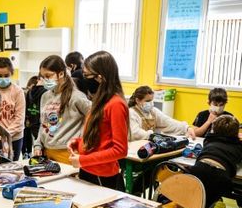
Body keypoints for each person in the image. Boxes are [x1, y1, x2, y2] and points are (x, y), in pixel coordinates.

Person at [67, 51, 128, 191]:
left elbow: (120, 150)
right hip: (88, 170)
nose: (84, 79)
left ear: (100, 77)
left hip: (103, 176)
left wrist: (83, 160)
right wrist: (78, 142)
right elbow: (100, 137)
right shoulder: (99, 101)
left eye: (87, 75)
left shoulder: (116, 104)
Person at [187, 115, 242, 208]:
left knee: (199, 195)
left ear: (213, 130)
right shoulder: (238, 145)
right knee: (214, 195)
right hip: (222, 175)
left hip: (199, 169)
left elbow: (209, 137)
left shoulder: (209, 140)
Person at [34, 55, 91, 164]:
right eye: (42, 77)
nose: (45, 80)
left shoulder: (76, 96)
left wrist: (82, 140)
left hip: (67, 153)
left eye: (48, 76)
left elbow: (95, 115)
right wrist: (38, 144)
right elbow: (43, 124)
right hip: (46, 152)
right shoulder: (45, 96)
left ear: (61, 74)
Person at [128, 86, 196, 141]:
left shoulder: (153, 111)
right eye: (148, 101)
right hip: (134, 147)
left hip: (146, 146)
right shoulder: (131, 113)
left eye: (152, 100)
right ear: (137, 100)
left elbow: (169, 122)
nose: (151, 103)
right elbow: (135, 134)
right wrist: (152, 135)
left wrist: (186, 128)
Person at [22, 76, 47, 159]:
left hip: (32, 123)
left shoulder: (30, 91)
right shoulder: (46, 92)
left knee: (36, 146)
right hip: (42, 124)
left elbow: (27, 108)